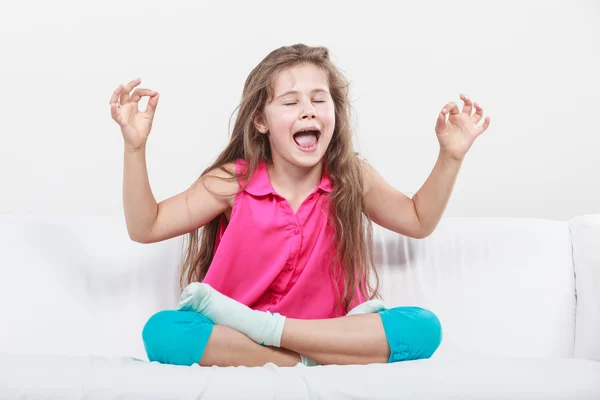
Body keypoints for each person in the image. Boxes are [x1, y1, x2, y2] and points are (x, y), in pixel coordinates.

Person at [109, 44, 491, 368]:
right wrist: (134, 146)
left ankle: (275, 336)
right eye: (290, 101)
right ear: (261, 119)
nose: (308, 110)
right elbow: (146, 227)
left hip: (330, 328)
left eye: (319, 99)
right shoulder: (232, 181)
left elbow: (418, 220)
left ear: (333, 114)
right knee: (162, 332)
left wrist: (451, 157)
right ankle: (310, 359)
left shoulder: (352, 176)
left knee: (423, 327)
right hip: (238, 330)